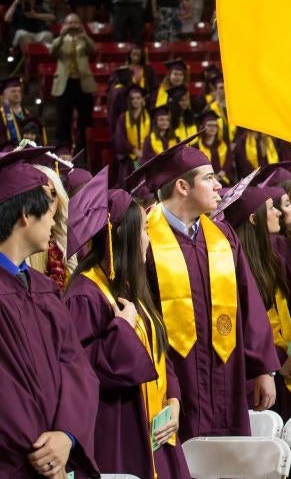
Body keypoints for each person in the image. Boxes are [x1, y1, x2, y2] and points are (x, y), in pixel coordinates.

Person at [128, 136, 278, 440]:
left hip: (227, 380)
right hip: (175, 381)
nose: (219, 186)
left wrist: (263, 369)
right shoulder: (144, 239)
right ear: (183, 187)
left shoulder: (222, 236)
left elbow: (248, 302)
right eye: (209, 178)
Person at [64, 170, 190, 478]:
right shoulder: (85, 295)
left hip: (158, 430)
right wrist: (122, 328)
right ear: (123, 236)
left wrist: (173, 398)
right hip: (119, 430)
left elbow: (158, 350)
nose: (148, 238)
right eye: (144, 229)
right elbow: (82, 373)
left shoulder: (130, 287)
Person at [0, 147, 99, 476]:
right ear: (25, 215)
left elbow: (76, 368)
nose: (56, 222)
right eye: (49, 212)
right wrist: (44, 453)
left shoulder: (44, 289)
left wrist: (66, 436)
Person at [223, 182, 291, 478]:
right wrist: (276, 359)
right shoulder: (232, 269)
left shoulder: (276, 261)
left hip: (290, 381)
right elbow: (240, 330)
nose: (278, 212)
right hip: (261, 384)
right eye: (271, 209)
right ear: (253, 218)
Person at [49, 13, 97, 149]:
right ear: (64, 25)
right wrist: (61, 36)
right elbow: (52, 52)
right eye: (69, 23)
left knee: (85, 119)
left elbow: (94, 51)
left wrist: (85, 36)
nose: (72, 25)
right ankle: (63, 148)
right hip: (65, 84)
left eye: (75, 22)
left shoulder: (84, 40)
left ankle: (83, 147)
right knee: (63, 118)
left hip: (83, 83)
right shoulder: (60, 40)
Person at [113, 84, 150, 184]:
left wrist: (145, 151)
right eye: (132, 98)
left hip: (147, 157)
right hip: (129, 159)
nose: (135, 100)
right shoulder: (123, 118)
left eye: (138, 98)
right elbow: (120, 138)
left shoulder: (149, 117)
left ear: (142, 99)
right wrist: (134, 150)